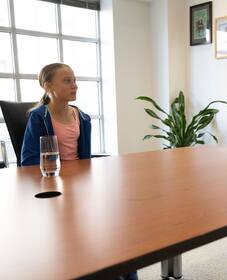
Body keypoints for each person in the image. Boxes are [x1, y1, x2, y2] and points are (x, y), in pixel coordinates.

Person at [21, 63, 139, 280]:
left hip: (81, 188)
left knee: (118, 233)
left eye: (75, 80)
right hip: (54, 189)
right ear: (48, 86)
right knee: (92, 237)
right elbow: (28, 161)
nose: (74, 85)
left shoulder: (82, 118)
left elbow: (84, 160)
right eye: (67, 81)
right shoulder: (39, 117)